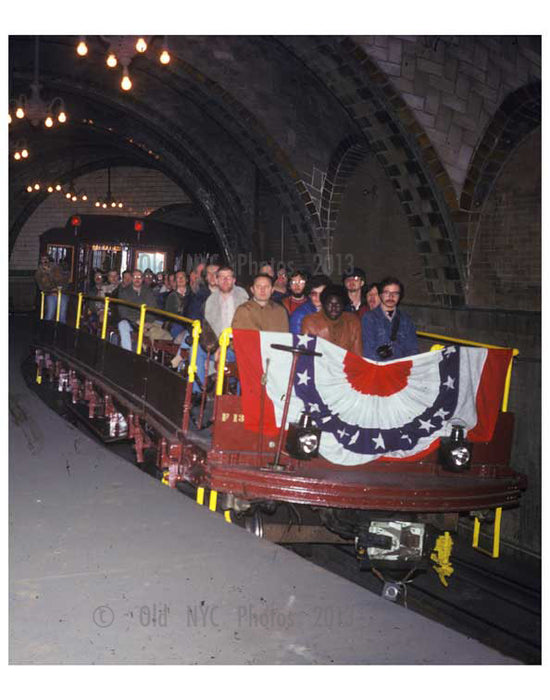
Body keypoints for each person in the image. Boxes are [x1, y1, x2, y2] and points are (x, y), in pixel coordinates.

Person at [361, 276, 418, 361]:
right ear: (380, 295)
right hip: (379, 368)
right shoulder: (370, 318)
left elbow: (412, 350)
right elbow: (368, 351)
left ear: (400, 296)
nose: (391, 296)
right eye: (387, 293)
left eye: (395, 293)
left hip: (401, 369)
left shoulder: (406, 320)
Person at [302, 285, 362, 355]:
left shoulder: (353, 322)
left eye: (338, 305)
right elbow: (306, 356)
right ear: (323, 304)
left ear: (343, 306)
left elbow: (357, 356)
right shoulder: (310, 322)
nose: (334, 308)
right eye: (330, 304)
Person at [117, 269, 159, 351]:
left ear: (142, 279)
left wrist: (147, 323)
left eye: (139, 277)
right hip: (131, 322)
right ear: (132, 278)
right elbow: (123, 312)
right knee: (122, 325)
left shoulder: (148, 292)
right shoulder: (124, 292)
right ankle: (127, 352)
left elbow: (153, 309)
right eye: (135, 277)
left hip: (146, 322)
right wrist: (137, 321)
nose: (137, 279)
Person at [35, 254, 69, 322]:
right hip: (50, 294)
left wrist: (50, 272)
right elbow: (41, 286)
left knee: (62, 314)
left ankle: (62, 331)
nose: (45, 260)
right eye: (43, 259)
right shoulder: (39, 272)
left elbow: (61, 280)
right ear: (40, 261)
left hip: (62, 292)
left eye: (46, 259)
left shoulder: (56, 267)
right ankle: (46, 330)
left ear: (49, 259)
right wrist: (50, 291)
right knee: (50, 314)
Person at [165, 271, 192, 339]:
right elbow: (169, 314)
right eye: (178, 278)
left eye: (182, 277)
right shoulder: (171, 296)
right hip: (177, 323)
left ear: (186, 279)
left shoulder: (192, 294)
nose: (180, 279)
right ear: (175, 281)